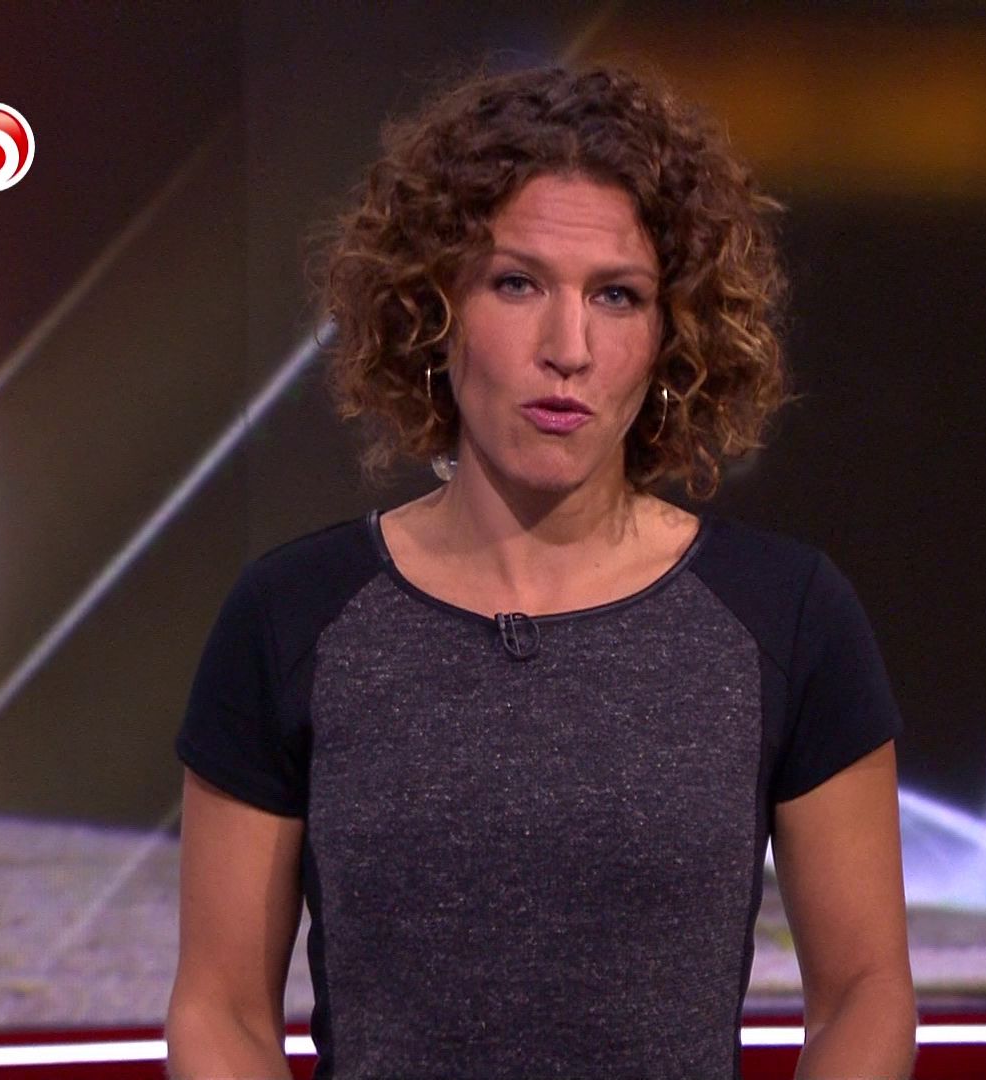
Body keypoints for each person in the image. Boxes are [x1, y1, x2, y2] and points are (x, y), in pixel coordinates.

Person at [164, 65, 917, 1077]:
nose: (568, 348)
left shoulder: (785, 615)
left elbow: (866, 991)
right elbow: (221, 1010)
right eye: (517, 284)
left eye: (617, 296)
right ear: (433, 310)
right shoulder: (291, 616)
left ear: (671, 334)